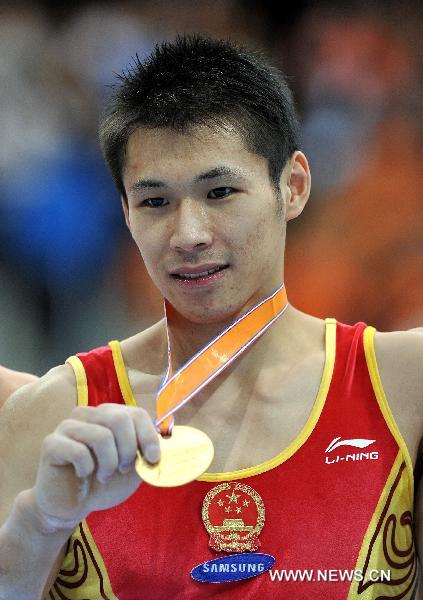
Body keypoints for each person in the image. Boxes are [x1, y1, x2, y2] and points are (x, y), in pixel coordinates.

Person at [0, 35, 422, 600]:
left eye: (220, 191)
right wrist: (41, 522)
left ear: (292, 187)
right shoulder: (54, 417)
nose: (189, 235)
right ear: (124, 211)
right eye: (155, 202)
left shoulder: (403, 387)